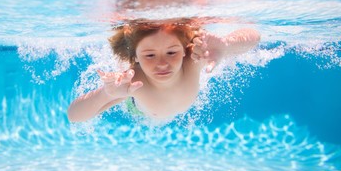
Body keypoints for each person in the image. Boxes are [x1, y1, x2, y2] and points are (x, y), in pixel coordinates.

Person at [67, 18, 260, 122]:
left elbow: (255, 36)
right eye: (150, 55)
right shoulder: (133, 82)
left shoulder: (194, 58)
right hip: (141, 110)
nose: (162, 64)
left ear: (184, 50)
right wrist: (106, 94)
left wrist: (225, 45)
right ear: (135, 57)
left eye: (171, 52)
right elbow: (74, 117)